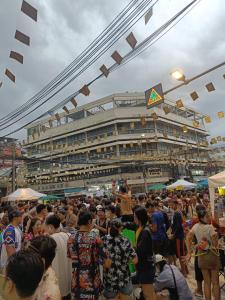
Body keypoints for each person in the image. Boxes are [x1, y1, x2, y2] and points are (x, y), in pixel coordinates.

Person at [186, 204, 220, 300]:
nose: (209, 218)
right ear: (202, 218)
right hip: (212, 257)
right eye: (207, 216)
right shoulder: (210, 227)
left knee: (206, 282)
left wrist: (189, 252)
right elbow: (215, 244)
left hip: (201, 258)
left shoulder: (195, 227)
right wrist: (216, 241)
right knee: (216, 283)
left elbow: (188, 238)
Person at [67, 211, 103, 300]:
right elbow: (102, 256)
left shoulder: (71, 238)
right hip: (93, 276)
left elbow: (70, 256)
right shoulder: (95, 238)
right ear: (89, 222)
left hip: (77, 277)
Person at [102, 219, 138, 299]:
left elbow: (103, 262)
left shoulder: (104, 240)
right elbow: (135, 260)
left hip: (110, 281)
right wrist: (125, 260)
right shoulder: (126, 241)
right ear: (120, 229)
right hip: (124, 279)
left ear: (109, 228)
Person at [45, 214, 72, 300]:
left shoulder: (50, 239)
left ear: (50, 227)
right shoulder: (68, 235)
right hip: (68, 276)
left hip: (56, 278)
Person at [29, 235, 61, 300]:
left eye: (29, 255)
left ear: (42, 261)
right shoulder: (39, 272)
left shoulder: (50, 294)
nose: (26, 258)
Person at [134, 207, 156, 300]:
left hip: (146, 266)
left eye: (134, 217)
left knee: (148, 293)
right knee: (148, 292)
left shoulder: (145, 231)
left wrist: (131, 249)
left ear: (139, 218)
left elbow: (141, 250)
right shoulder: (142, 228)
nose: (133, 219)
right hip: (145, 265)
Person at [172, 200, 188, 276]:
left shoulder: (177, 213)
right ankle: (185, 269)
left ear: (176, 204)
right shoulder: (179, 212)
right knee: (182, 252)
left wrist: (173, 235)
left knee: (180, 253)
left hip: (179, 236)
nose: (171, 206)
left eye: (172, 204)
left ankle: (184, 271)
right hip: (180, 235)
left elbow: (178, 226)